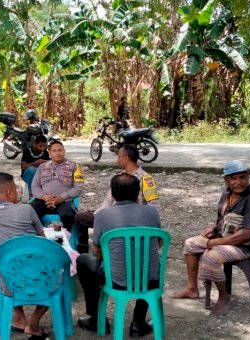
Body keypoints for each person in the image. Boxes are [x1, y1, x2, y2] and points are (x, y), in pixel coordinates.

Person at [171, 159, 250, 315]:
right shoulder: (227, 193)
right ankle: (192, 289)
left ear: (248, 177)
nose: (238, 182)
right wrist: (214, 228)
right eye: (233, 178)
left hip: (243, 246)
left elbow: (247, 234)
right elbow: (223, 217)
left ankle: (224, 296)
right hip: (226, 238)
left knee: (211, 256)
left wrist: (217, 242)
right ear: (226, 180)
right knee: (190, 244)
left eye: (242, 177)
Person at [76, 173, 162, 337]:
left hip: (116, 280)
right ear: (138, 193)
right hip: (150, 279)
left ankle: (96, 319)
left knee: (83, 260)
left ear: (113, 194)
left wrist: (106, 259)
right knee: (145, 265)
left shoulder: (103, 215)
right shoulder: (152, 212)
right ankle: (138, 323)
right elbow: (159, 242)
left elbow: (98, 250)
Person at [0, 172, 49, 340]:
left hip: (8, 282)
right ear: (9, 192)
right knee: (59, 275)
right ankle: (34, 323)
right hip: (41, 280)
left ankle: (20, 317)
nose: (16, 193)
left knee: (5, 268)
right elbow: (43, 245)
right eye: (15, 190)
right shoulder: (27, 210)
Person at [73, 145, 159, 253]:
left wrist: (140, 218)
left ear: (126, 158)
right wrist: (99, 214)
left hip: (131, 219)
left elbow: (154, 205)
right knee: (81, 217)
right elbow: (109, 201)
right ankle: (83, 252)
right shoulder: (119, 177)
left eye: (119, 157)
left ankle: (102, 255)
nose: (117, 160)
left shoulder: (145, 179)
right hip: (111, 214)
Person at [30, 140, 84, 230]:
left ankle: (66, 238)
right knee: (29, 212)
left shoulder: (74, 166)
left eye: (60, 150)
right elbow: (34, 187)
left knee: (69, 215)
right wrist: (44, 197)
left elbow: (79, 188)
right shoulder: (42, 167)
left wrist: (62, 197)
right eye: (54, 151)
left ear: (64, 151)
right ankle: (39, 237)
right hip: (44, 201)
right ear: (50, 153)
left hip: (65, 202)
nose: (58, 153)